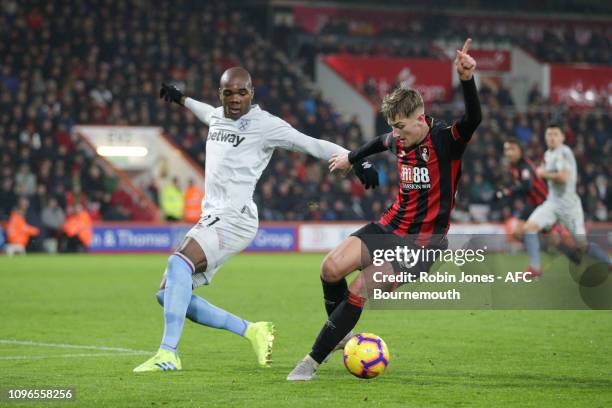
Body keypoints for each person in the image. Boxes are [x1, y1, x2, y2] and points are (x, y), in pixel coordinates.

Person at [133, 67, 378, 372]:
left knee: (178, 263)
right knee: (167, 293)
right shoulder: (218, 116)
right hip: (212, 217)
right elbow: (206, 112)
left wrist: (356, 160)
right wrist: (181, 99)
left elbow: (311, 143)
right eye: (228, 93)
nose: (234, 99)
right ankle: (253, 330)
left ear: (252, 92)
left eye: (241, 92)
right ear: (220, 94)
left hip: (234, 218)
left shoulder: (266, 125)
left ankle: (168, 353)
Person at [287, 39, 481, 381]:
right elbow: (379, 142)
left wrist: (466, 79)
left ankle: (311, 361)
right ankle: (340, 335)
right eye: (393, 126)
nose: (396, 135)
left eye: (401, 127)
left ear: (421, 119)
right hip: (391, 226)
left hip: (424, 243)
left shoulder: (446, 140)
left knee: (360, 287)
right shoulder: (400, 138)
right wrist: (351, 157)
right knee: (330, 268)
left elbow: (473, 118)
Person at [522, 124, 610, 278]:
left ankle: (609, 262)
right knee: (529, 227)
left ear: (562, 137)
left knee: (582, 245)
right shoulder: (548, 154)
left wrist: (542, 173)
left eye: (555, 134)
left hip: (569, 207)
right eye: (549, 134)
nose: (551, 137)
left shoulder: (564, 152)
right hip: (552, 203)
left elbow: (563, 177)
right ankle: (535, 268)